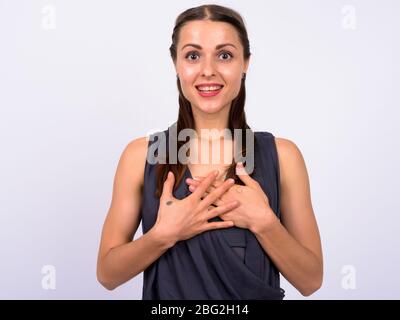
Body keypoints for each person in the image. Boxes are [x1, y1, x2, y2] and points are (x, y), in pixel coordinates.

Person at [96, 4, 323, 299]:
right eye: (193, 55)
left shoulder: (283, 156)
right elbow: (107, 274)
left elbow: (311, 280)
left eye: (224, 55)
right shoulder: (140, 155)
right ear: (176, 64)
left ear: (245, 63)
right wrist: (163, 236)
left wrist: (265, 222)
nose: (208, 71)